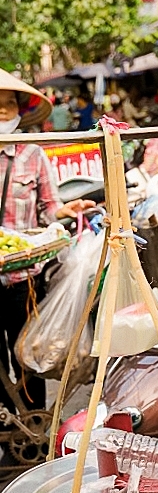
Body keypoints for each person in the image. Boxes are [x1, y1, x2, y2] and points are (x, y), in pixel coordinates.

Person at [0, 72, 95, 415]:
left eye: (9, 104)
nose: (2, 110)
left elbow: (49, 209)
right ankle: (6, 431)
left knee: (27, 357)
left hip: (23, 279)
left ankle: (33, 429)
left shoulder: (32, 155)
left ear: (19, 111)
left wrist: (65, 210)